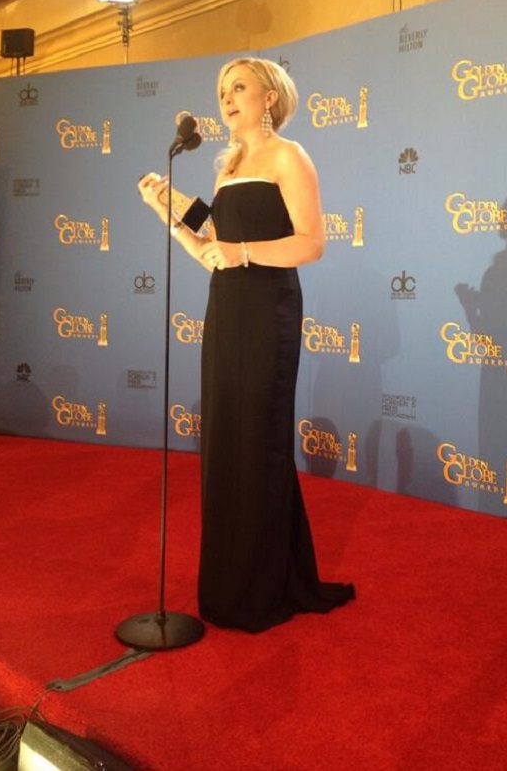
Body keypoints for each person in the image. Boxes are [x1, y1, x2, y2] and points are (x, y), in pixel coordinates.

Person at [138, 57, 354, 632]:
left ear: (269, 97)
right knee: (228, 441)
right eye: (221, 91)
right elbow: (212, 249)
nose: (227, 99)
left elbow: (312, 243)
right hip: (226, 311)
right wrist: (166, 211)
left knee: (258, 440)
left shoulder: (289, 155)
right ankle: (229, 583)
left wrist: (244, 252)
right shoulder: (227, 167)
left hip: (268, 313)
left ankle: (262, 589)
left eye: (238, 87)